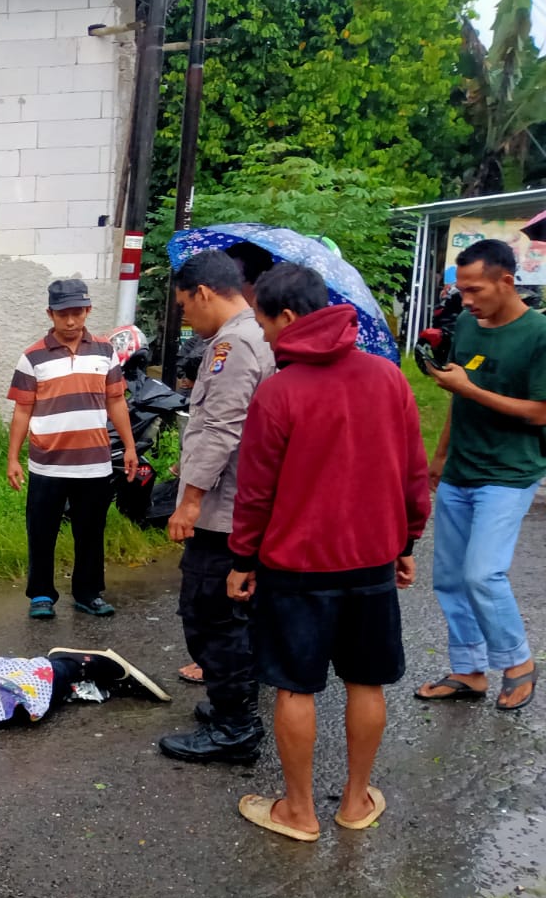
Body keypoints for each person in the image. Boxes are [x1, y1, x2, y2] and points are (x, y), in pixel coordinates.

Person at [226, 265, 430, 841]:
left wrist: (243, 561)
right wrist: (406, 541)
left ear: (287, 318)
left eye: (262, 319)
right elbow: (413, 473)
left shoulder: (280, 391)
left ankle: (298, 810)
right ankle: (355, 799)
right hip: (371, 560)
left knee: (296, 686)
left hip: (296, 567)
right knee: (367, 682)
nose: (262, 333)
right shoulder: (389, 379)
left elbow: (257, 491)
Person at [416, 239, 546, 711]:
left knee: (482, 574)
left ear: (505, 281)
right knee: (449, 577)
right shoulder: (468, 326)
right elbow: (458, 395)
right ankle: (468, 671)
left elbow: (539, 412)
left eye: (474, 290)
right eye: (461, 289)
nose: (465, 300)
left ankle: (517, 662)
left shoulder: (538, 335)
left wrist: (469, 389)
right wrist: (441, 454)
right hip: (461, 470)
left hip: (510, 472)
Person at [159, 251, 275, 764]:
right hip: (236, 505)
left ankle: (236, 728)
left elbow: (222, 427)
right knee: (227, 614)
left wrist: (189, 500)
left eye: (185, 305)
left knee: (211, 614)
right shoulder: (251, 337)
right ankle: (231, 707)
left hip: (225, 510)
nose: (186, 316)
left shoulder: (234, 343)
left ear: (204, 292)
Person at [8, 278, 137, 619]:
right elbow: (22, 410)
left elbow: (116, 401)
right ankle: (41, 595)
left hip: (94, 463)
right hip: (47, 463)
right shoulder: (32, 357)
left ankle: (88, 592)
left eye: (77, 312)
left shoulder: (105, 352)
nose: (70, 321)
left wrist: (129, 446)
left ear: (87, 311)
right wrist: (13, 458)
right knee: (41, 530)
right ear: (50, 314)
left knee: (91, 531)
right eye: (63, 314)